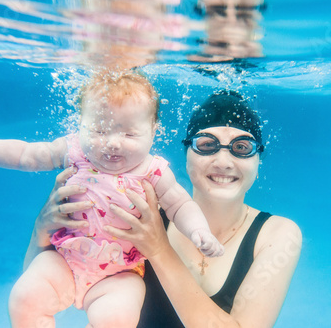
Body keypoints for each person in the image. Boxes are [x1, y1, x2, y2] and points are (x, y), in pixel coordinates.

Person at [26, 90, 302, 327]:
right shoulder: (138, 212)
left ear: (258, 160)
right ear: (186, 154)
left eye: (242, 147)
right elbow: (47, 291)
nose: (224, 161)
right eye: (206, 145)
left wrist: (158, 249)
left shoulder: (277, 235)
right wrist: (42, 230)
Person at [0, 72, 223, 328]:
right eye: (99, 130)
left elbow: (181, 205)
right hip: (65, 260)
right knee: (25, 298)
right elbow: (24, 155)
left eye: (129, 135)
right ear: (80, 123)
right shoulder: (74, 151)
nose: (113, 143)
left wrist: (199, 231)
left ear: (153, 131)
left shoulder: (154, 171)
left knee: (116, 320)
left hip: (120, 275)